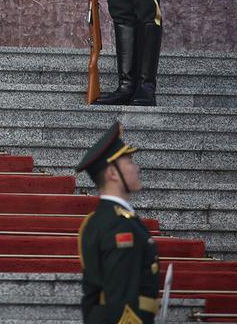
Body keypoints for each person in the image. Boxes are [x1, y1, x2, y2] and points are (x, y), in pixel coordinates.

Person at [75, 121, 160, 324]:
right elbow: (122, 298)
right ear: (113, 173)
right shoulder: (118, 226)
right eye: (129, 161)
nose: (136, 167)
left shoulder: (102, 219)